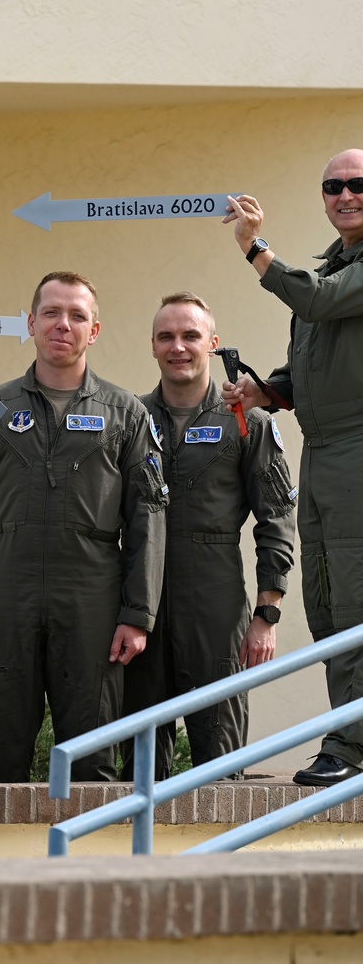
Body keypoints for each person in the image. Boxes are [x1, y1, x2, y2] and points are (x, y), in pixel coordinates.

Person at [0, 270, 168, 782]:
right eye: (52, 313)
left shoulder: (125, 414)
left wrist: (138, 614)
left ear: (94, 330)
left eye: (77, 315)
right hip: (5, 597)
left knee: (92, 757)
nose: (64, 324)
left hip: (92, 602)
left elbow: (148, 520)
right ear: (31, 323)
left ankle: (85, 865)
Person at [223, 150, 363, 787]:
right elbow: (309, 368)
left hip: (358, 450)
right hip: (326, 449)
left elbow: (321, 302)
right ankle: (349, 738)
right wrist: (264, 394)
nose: (344, 195)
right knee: (329, 604)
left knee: (356, 601)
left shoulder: (330, 283)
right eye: (332, 186)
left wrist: (258, 251)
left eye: (356, 185)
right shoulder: (330, 270)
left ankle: (352, 746)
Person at [121, 292, 296, 780]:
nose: (178, 346)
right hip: (140, 603)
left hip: (215, 602)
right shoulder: (127, 420)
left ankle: (218, 858)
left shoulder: (247, 423)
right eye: (166, 337)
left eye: (190, 335)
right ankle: (136, 860)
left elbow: (276, 518)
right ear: (153, 347)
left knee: (218, 764)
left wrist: (266, 613)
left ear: (213, 344)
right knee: (139, 765)